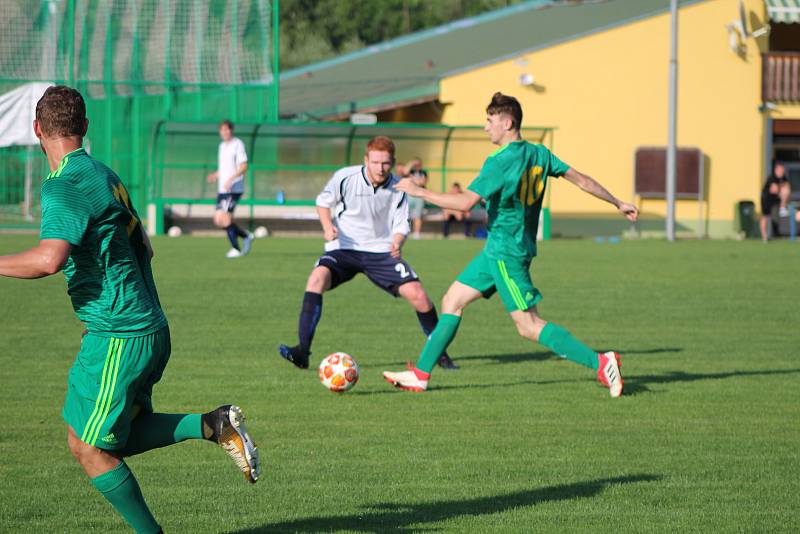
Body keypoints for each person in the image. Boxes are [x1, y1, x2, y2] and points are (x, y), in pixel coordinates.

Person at [0, 86, 261, 534]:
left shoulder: (64, 185)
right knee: (98, 438)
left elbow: (49, 259)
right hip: (143, 328)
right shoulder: (105, 175)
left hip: (120, 333)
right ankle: (212, 424)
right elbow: (146, 249)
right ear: (84, 127)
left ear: (37, 130)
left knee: (90, 447)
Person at [383, 92, 639, 397]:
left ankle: (601, 362)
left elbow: (466, 203)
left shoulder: (499, 162)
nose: (485, 127)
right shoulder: (539, 153)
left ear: (508, 122)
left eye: (490, 121)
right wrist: (617, 202)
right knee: (453, 300)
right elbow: (582, 180)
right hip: (499, 249)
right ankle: (421, 375)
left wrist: (420, 192)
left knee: (528, 325)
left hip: (507, 252)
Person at [279, 136, 459, 371]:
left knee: (419, 295)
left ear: (393, 162)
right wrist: (326, 226)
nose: (380, 168)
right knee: (316, 279)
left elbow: (401, 223)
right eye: (375, 162)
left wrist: (397, 240)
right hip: (344, 247)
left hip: (380, 252)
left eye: (385, 163)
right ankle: (302, 351)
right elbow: (323, 202)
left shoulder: (399, 187)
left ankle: (440, 354)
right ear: (366, 160)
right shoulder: (345, 177)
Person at [206, 119, 253, 258]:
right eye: (223, 130)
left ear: (231, 130)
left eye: (228, 129)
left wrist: (231, 179)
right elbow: (224, 167)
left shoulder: (237, 144)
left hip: (234, 189)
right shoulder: (222, 146)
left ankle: (236, 249)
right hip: (223, 189)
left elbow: (244, 166)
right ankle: (246, 236)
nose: (225, 132)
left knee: (225, 219)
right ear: (220, 132)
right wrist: (216, 175)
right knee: (218, 220)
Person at [760, 162, 791, 242]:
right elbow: (774, 189)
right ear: (776, 170)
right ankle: (764, 236)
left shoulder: (783, 178)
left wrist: (784, 187)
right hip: (767, 199)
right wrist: (782, 186)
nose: (782, 172)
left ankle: (783, 208)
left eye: (783, 170)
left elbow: (787, 187)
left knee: (786, 190)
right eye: (780, 170)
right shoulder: (772, 178)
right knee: (765, 217)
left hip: (776, 200)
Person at [404, 158, 428, 239]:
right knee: (406, 215)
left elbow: (422, 182)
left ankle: (416, 234)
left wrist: (413, 179)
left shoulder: (423, 172)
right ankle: (404, 232)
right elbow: (405, 171)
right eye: (415, 164)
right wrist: (411, 162)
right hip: (409, 195)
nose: (417, 166)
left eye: (418, 164)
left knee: (418, 216)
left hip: (419, 196)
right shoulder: (411, 171)